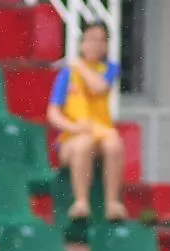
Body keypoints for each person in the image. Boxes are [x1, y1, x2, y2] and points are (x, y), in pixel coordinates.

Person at [46, 21, 127, 221]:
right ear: (82, 43)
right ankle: (81, 202)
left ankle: (112, 203)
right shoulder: (67, 74)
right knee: (83, 144)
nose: (95, 45)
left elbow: (98, 87)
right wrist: (74, 127)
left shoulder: (110, 69)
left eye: (101, 40)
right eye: (90, 39)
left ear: (107, 46)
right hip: (73, 135)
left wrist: (80, 66)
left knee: (114, 143)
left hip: (101, 130)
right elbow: (53, 112)